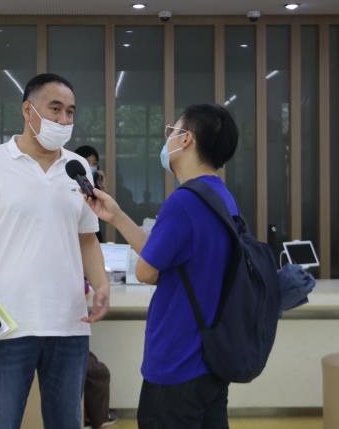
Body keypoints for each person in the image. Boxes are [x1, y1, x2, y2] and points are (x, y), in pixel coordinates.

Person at [0, 73, 110, 429]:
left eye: (71, 112)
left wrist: (102, 285)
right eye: (55, 109)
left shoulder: (78, 169)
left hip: (69, 324)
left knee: (67, 422)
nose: (64, 120)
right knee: (1, 421)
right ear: (27, 110)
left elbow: (88, 239)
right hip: (8, 325)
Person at [85, 104, 240, 429]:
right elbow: (164, 259)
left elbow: (146, 271)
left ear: (186, 139)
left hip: (177, 359)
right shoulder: (221, 197)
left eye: (172, 130)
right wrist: (117, 217)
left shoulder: (183, 202)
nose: (167, 138)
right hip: (212, 357)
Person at [74, 145, 117, 429]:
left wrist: (99, 283)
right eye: (86, 163)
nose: (90, 168)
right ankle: (95, 417)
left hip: (79, 294)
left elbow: (91, 240)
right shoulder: (68, 194)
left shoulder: (94, 197)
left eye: (94, 163)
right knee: (94, 372)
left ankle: (92, 418)